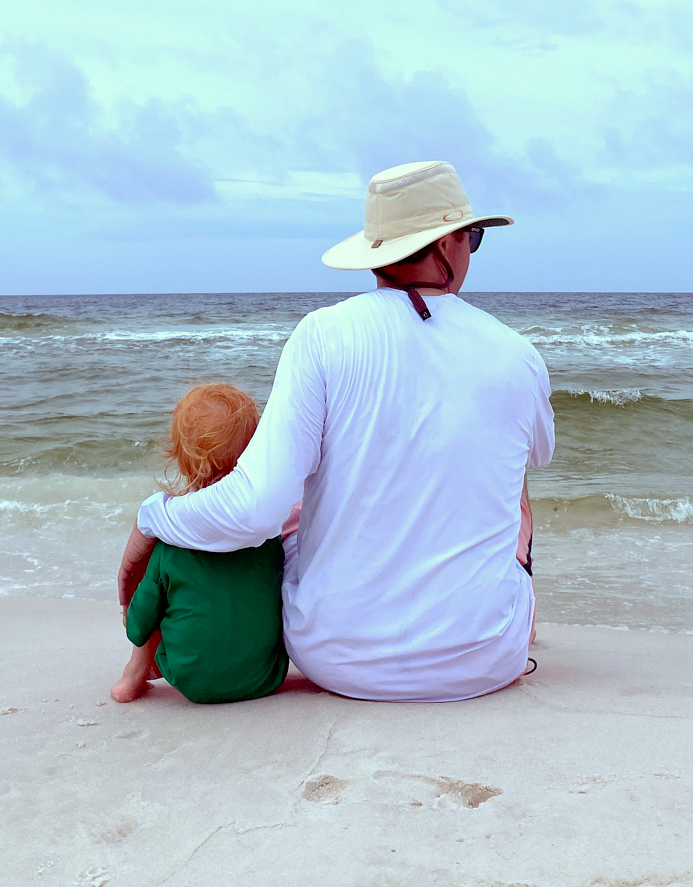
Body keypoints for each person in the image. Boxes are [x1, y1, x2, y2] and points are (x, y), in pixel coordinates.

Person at [117, 160, 555, 702]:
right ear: (444, 246)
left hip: (336, 658)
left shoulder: (324, 334)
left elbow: (255, 510)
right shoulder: (518, 354)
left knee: (297, 510)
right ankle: (490, 618)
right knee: (517, 491)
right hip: (488, 658)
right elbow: (537, 454)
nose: (471, 249)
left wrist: (153, 517)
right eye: (472, 236)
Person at [111, 383, 290, 704]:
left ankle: (133, 675)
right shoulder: (267, 529)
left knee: (158, 602)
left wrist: (132, 617)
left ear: (179, 457)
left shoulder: (171, 536)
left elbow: (138, 624)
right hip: (267, 675)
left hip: (191, 679)